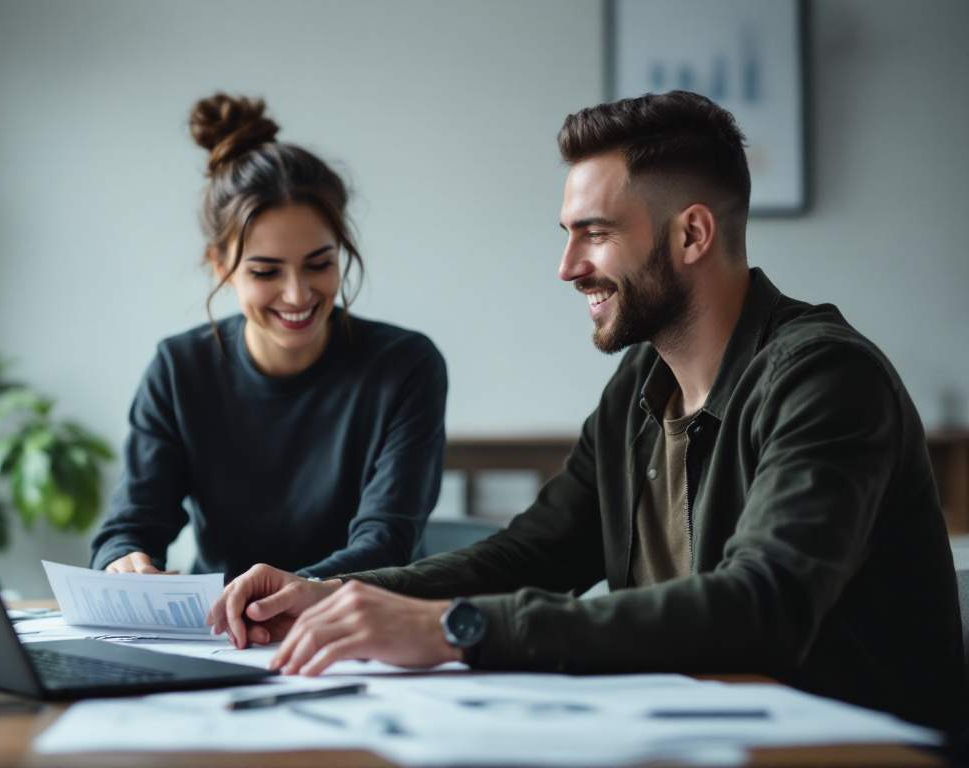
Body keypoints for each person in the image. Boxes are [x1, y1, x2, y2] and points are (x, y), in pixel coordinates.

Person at [206, 91, 968, 731]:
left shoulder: (826, 377)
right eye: (568, 236)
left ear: (692, 233)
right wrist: (332, 594)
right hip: (691, 735)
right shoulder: (642, 383)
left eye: (595, 235)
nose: (568, 268)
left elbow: (763, 604)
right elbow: (530, 554)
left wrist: (453, 628)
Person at [89, 93, 448, 582]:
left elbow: (385, 542)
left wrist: (294, 592)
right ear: (221, 266)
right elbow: (131, 525)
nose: (297, 294)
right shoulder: (179, 368)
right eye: (265, 271)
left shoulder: (404, 365)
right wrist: (125, 561)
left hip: (352, 626)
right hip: (218, 630)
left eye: (319, 264)